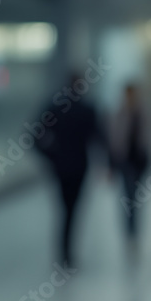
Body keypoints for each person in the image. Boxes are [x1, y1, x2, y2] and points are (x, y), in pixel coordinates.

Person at [35, 72, 109, 268]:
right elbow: (100, 140)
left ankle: (64, 251)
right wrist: (108, 164)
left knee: (64, 208)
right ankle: (67, 253)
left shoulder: (55, 108)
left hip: (60, 167)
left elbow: (34, 136)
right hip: (79, 167)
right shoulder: (87, 109)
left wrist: (51, 156)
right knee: (72, 210)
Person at [110, 84, 150, 258]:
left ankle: (134, 232)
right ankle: (129, 233)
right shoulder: (119, 113)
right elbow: (114, 139)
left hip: (139, 162)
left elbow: (147, 139)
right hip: (125, 162)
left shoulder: (142, 113)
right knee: (128, 197)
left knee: (136, 198)